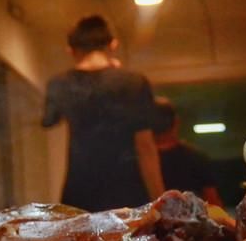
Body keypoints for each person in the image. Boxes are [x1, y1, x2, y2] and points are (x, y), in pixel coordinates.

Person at [39, 15, 165, 210]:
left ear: (71, 50)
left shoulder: (59, 84)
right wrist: (159, 201)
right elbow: (145, 146)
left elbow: (48, 120)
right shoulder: (133, 82)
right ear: (113, 45)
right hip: (127, 189)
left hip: (80, 188)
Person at [150, 96, 223, 207]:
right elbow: (213, 202)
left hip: (150, 222)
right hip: (191, 222)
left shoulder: (135, 161)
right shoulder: (196, 157)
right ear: (176, 122)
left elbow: (213, 201)